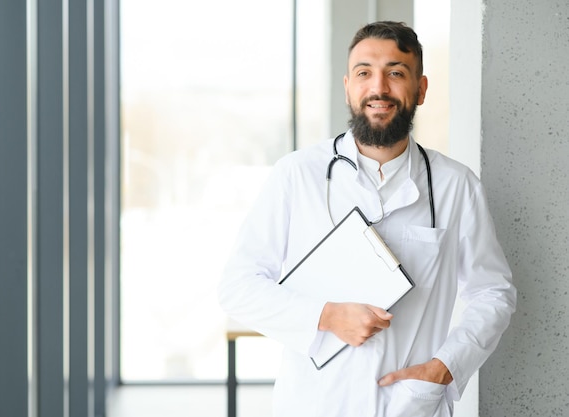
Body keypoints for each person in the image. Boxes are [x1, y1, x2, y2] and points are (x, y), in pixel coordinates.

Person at [217, 21, 516, 417]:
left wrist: (446, 366)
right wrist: (326, 316)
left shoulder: (455, 185)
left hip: (410, 404)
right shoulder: (297, 174)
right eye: (364, 73)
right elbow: (238, 287)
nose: (379, 88)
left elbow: (493, 292)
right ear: (347, 87)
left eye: (396, 73)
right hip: (315, 402)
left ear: (420, 89)